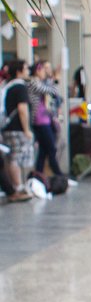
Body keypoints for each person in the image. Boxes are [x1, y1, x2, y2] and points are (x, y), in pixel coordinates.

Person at [2, 61, 33, 202]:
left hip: (6, 127)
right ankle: (18, 187)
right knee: (15, 158)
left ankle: (15, 187)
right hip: (16, 128)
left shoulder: (7, 87)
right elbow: (22, 110)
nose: (28, 71)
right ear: (19, 71)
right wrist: (26, 129)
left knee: (10, 158)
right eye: (26, 68)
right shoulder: (20, 87)